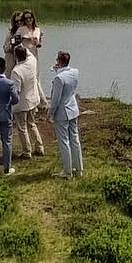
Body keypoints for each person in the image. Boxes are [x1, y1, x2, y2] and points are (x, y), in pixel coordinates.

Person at [47, 50, 83, 179]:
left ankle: (67, 171)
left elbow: (55, 99)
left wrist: (50, 113)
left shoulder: (58, 78)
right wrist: (58, 70)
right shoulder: (75, 72)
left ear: (59, 61)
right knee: (75, 139)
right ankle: (78, 169)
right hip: (73, 108)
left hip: (62, 112)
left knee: (64, 141)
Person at [9, 43, 46, 159]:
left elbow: (16, 91)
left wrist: (10, 104)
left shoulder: (16, 71)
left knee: (22, 127)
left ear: (16, 56)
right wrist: (20, 44)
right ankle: (39, 147)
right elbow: (29, 53)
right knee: (32, 124)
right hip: (33, 99)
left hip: (22, 104)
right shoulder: (32, 61)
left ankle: (27, 151)